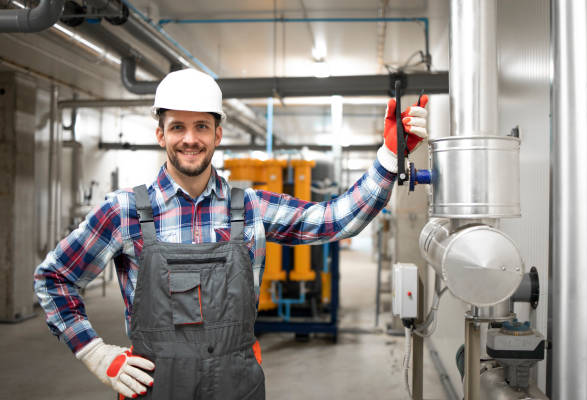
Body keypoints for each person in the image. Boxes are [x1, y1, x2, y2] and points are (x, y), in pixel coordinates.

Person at [34, 68, 429, 400]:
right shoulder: (124, 212)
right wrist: (95, 353)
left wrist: (388, 159)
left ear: (218, 134)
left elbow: (334, 220)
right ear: (161, 135)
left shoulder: (252, 207)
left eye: (201, 126)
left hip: (235, 387)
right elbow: (55, 278)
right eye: (177, 127)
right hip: (155, 387)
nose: (190, 139)